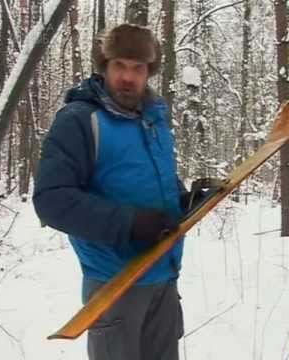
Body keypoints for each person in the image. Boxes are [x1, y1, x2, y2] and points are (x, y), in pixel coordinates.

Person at [33, 24, 191, 360]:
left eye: (138, 68)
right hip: (114, 285)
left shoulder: (153, 118)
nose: (128, 77)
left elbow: (153, 182)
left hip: (163, 278)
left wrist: (186, 201)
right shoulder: (79, 120)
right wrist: (129, 224)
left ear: (149, 72)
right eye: (119, 65)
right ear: (104, 66)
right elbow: (52, 200)